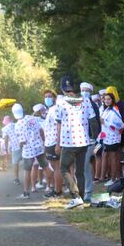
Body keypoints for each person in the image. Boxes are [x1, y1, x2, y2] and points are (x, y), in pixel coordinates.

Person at [49, 78, 94, 207]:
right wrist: (95, 139)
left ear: (63, 89)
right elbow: (93, 121)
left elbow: (59, 124)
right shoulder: (85, 101)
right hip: (84, 142)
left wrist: (57, 143)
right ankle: (82, 199)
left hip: (68, 143)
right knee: (79, 172)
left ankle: (76, 196)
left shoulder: (61, 103)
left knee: (63, 168)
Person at [98, 87, 124, 192]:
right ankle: (113, 178)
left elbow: (120, 124)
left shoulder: (115, 110)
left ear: (112, 100)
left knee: (114, 158)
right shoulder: (107, 109)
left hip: (113, 138)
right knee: (110, 157)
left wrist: (106, 123)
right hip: (107, 138)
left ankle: (114, 178)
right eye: (105, 99)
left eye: (108, 99)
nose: (106, 101)